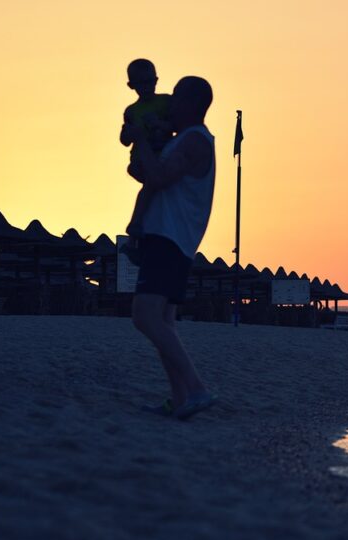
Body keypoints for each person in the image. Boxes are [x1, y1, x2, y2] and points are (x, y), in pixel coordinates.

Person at [122, 75, 216, 420]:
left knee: (144, 316)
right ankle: (180, 399)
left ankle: (196, 389)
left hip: (171, 238)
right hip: (166, 236)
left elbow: (161, 178)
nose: (169, 103)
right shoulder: (183, 140)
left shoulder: (194, 141)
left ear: (190, 103)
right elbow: (152, 178)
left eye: (175, 97)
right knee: (163, 320)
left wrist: (141, 139)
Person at [120, 59, 173, 258]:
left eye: (149, 82)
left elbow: (174, 126)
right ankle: (135, 229)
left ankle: (137, 232)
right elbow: (124, 139)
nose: (146, 87)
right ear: (131, 86)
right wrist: (129, 133)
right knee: (151, 185)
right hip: (142, 159)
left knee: (152, 190)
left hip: (163, 156)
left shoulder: (166, 102)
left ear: (156, 80)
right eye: (141, 83)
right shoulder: (132, 111)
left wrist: (159, 124)